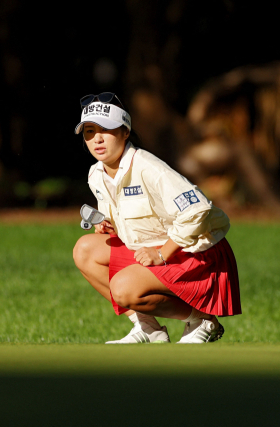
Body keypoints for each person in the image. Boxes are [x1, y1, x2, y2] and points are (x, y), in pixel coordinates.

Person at [72, 92, 242, 344]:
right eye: (89, 131)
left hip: (196, 254)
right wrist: (106, 224)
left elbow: (199, 211)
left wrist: (162, 253)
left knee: (123, 288)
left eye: (106, 130)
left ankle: (202, 320)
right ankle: (149, 329)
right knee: (84, 250)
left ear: (125, 131)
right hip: (151, 250)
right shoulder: (96, 174)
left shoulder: (148, 167)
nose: (97, 139)